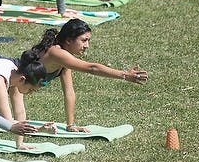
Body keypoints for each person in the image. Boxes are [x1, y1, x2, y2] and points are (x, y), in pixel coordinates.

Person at [18, 19, 147, 132]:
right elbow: (92, 68)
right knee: (12, 126)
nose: (87, 46)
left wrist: (71, 125)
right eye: (84, 40)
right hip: (9, 82)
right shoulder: (56, 53)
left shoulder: (64, 58)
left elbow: (69, 91)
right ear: (68, 40)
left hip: (17, 87)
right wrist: (124, 75)